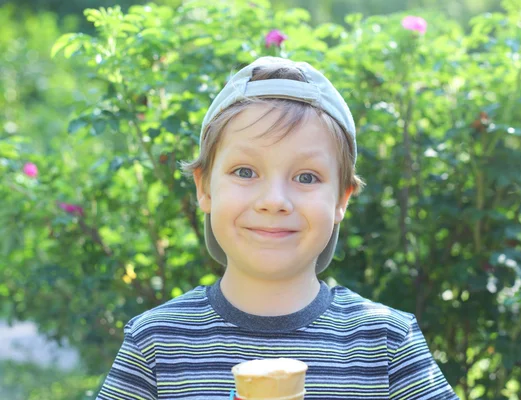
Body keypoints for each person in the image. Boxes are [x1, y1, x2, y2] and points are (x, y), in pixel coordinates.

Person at [96, 57, 459, 400]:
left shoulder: (386, 343)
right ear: (204, 187)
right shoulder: (157, 343)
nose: (274, 200)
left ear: (341, 200)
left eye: (306, 177)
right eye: (245, 172)